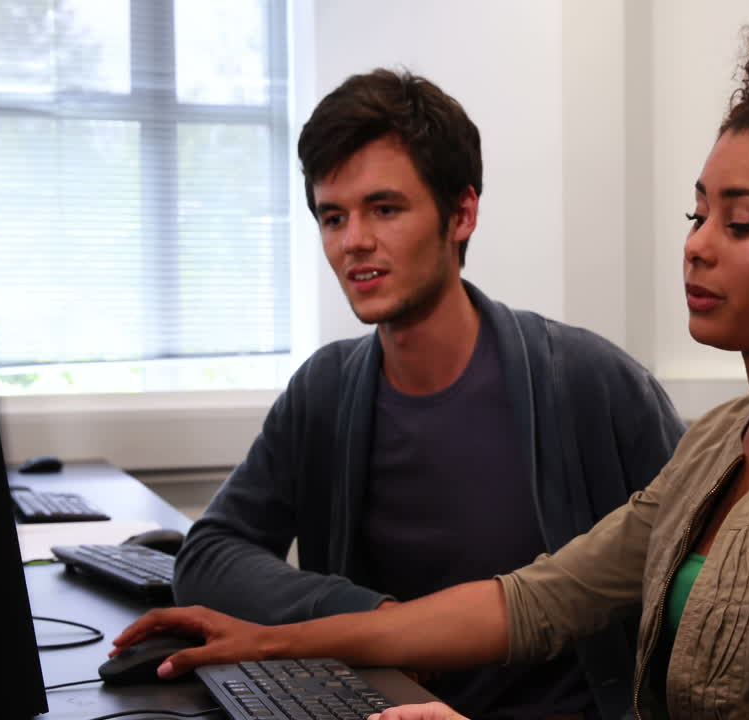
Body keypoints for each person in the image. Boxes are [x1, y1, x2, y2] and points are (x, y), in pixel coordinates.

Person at [116, 12, 749, 718]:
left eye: (739, 224)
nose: (696, 246)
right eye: (696, 215)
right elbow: (533, 599)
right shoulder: (721, 442)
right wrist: (273, 642)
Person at [169, 68, 686, 720]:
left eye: (384, 209)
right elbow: (209, 555)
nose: (354, 241)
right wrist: (370, 616)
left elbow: (702, 578)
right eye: (333, 217)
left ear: (461, 214)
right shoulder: (326, 390)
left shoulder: (589, 382)